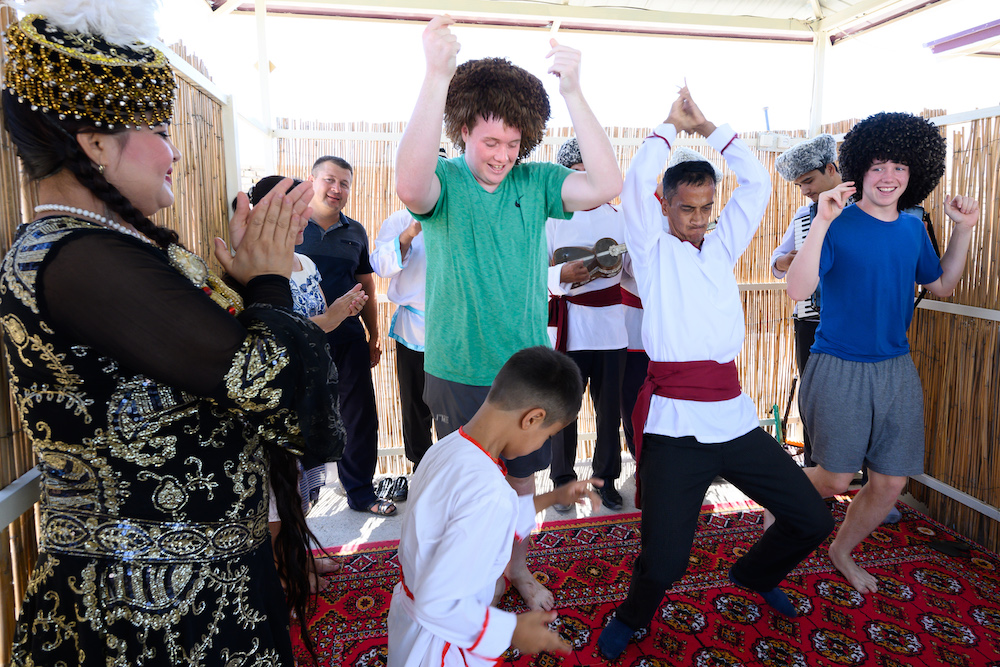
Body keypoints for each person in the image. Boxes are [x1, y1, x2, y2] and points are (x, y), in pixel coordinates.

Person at [1, 4, 339, 664]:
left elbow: (226, 377)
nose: (175, 147)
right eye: (157, 128)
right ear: (95, 143)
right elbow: (275, 391)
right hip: (148, 616)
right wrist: (268, 283)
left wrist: (246, 287)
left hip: (196, 594)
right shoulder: (77, 259)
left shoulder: (101, 247)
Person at [596, 89, 834, 660]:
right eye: (688, 208)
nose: (699, 218)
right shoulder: (651, 249)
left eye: (707, 207)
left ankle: (753, 574)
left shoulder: (723, 244)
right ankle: (632, 615)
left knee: (810, 518)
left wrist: (709, 127)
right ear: (666, 207)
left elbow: (755, 184)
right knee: (668, 559)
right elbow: (634, 186)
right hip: (675, 426)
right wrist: (667, 128)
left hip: (733, 419)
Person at [395, 16, 622, 610]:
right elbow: (409, 186)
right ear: (463, 130)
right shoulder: (444, 180)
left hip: (525, 374)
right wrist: (435, 73)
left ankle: (516, 570)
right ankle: (470, 582)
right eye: (489, 142)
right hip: (456, 366)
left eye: (513, 144)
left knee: (521, 484)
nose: (501, 156)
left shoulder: (539, 181)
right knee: (469, 490)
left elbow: (607, 180)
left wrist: (573, 91)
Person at [785, 111, 979, 594]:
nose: (888, 176)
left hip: (895, 368)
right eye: (877, 166)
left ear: (914, 173)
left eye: (899, 167)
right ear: (858, 171)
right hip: (838, 366)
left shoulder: (912, 230)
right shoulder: (833, 221)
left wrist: (964, 228)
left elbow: (943, 285)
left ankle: (840, 551)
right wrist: (822, 223)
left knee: (891, 482)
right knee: (833, 478)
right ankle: (778, 501)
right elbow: (796, 288)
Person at [387, 346, 601, 667]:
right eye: (549, 436)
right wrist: (512, 630)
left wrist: (553, 498)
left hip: (410, 619)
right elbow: (438, 602)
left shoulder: (446, 448)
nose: (543, 444)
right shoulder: (489, 492)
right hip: (441, 645)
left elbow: (475, 521)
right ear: (533, 418)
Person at [246, 175, 369, 589]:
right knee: (279, 494)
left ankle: (300, 557)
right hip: (279, 397)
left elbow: (311, 323)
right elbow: (276, 334)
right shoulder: (255, 266)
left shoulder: (304, 262)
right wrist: (332, 317)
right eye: (297, 208)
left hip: (307, 392)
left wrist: (342, 312)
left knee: (301, 489)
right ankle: (284, 574)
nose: (306, 216)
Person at [297, 156, 393, 516]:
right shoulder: (292, 226)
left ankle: (361, 493)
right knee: (303, 417)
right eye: (330, 180)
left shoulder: (355, 231)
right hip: (302, 340)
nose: (337, 189)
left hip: (349, 338)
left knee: (358, 416)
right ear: (312, 180)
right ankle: (303, 499)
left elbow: (365, 283)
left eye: (345, 184)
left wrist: (373, 334)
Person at [546, 136, 627, 511]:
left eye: (587, 172)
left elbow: (633, 273)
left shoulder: (621, 218)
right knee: (563, 409)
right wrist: (563, 272)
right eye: (574, 173)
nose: (582, 180)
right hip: (568, 327)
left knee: (609, 410)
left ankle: (606, 479)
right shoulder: (551, 219)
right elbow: (532, 272)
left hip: (611, 328)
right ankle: (562, 481)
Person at [770, 134, 841, 467]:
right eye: (800, 185)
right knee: (812, 394)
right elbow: (777, 262)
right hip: (810, 320)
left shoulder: (866, 211)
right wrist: (789, 261)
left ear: (831, 168)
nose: (806, 191)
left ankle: (867, 478)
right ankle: (814, 467)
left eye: (809, 181)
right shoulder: (802, 217)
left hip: (850, 321)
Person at [370, 207, 433, 475]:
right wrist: (409, 233)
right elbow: (380, 266)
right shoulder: (398, 220)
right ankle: (421, 466)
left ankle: (458, 469)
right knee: (415, 402)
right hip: (414, 329)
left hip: (459, 327)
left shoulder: (466, 213)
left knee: (455, 403)